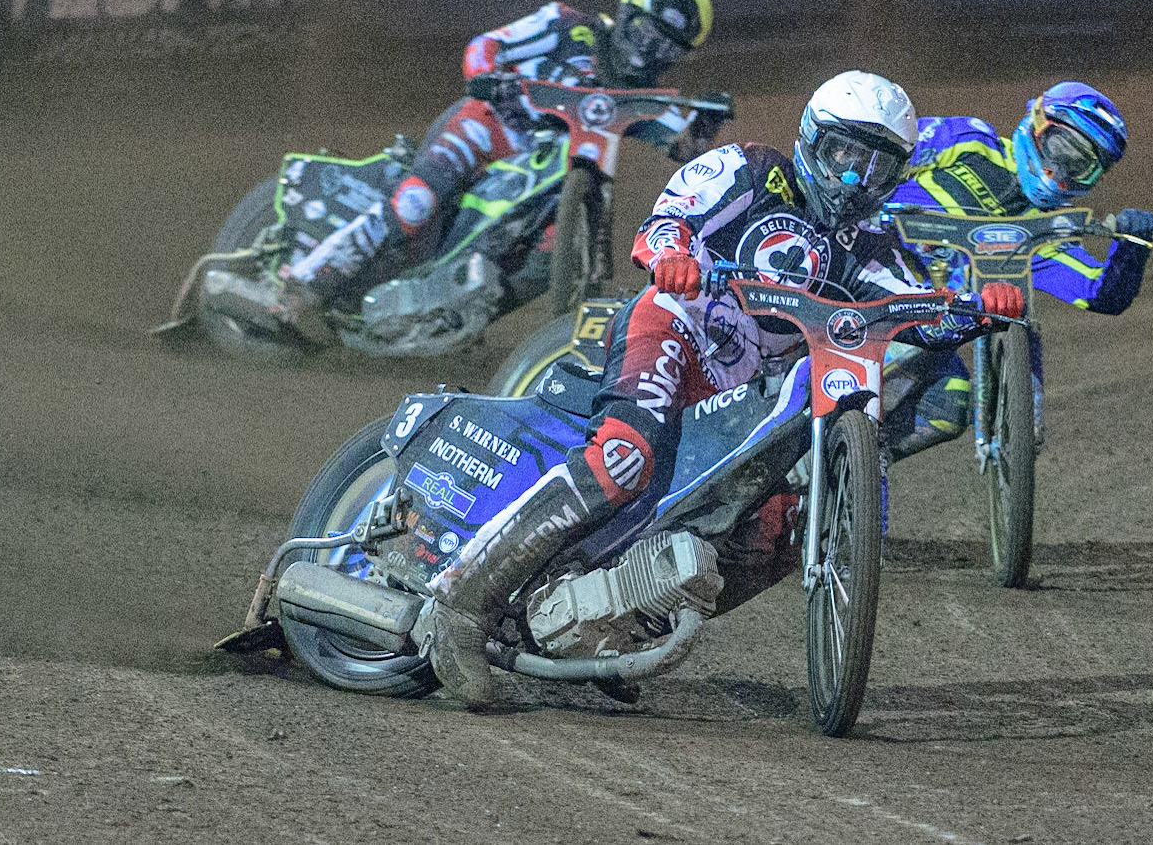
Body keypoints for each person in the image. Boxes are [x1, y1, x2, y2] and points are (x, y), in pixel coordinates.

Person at [422, 70, 1026, 708]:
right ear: (812, 143)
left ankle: (621, 626)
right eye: (845, 155)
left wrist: (978, 309)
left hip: (743, 391)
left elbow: (913, 309)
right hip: (676, 329)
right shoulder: (747, 171)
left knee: (780, 530)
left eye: (875, 167)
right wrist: (673, 256)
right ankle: (461, 610)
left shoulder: (874, 246)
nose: (853, 179)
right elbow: (668, 218)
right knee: (625, 456)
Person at [280, 0, 718, 327]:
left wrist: (701, 131)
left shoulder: (642, 99)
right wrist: (488, 72)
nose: (648, 50)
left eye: (665, 46)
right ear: (626, 12)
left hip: (546, 180)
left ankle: (452, 320)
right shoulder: (568, 25)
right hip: (487, 129)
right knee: (415, 203)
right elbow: (486, 45)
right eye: (645, 32)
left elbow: (686, 151)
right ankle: (303, 282)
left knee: (548, 257)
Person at [881, 81, 1153, 459]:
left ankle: (849, 470)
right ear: (1038, 125)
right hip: (867, 277)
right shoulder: (969, 140)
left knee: (950, 404)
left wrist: (1133, 247)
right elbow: (885, 157)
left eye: (1081, 168)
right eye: (1061, 151)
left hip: (925, 326)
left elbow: (1101, 293)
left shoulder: (1042, 239)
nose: (1060, 173)